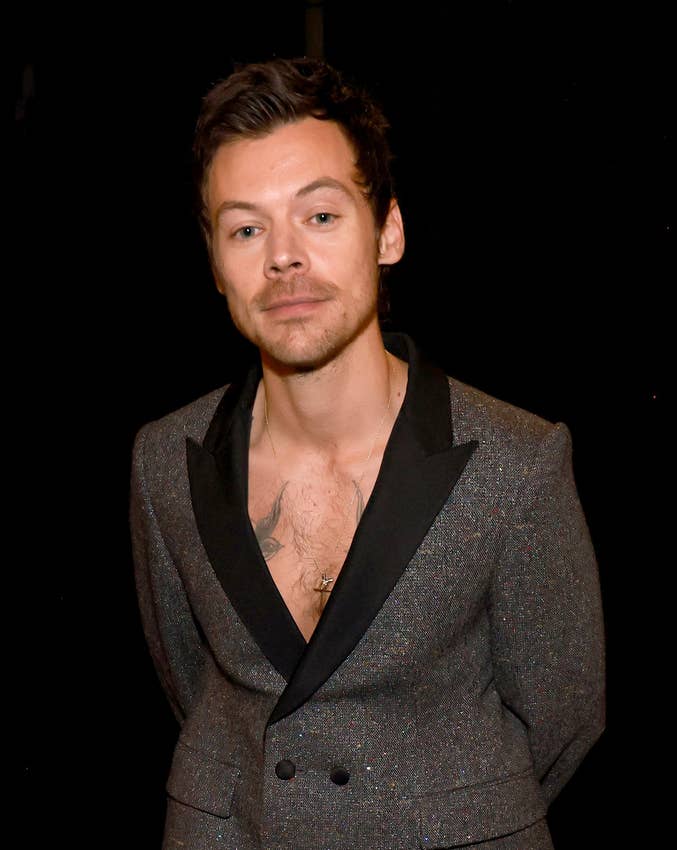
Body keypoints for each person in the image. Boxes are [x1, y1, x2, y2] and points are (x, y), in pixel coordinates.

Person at [129, 56, 605, 850]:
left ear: (388, 232)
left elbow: (563, 719)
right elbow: (191, 682)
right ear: (215, 263)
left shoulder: (517, 463)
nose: (283, 257)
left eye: (319, 216)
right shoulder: (163, 463)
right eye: (246, 229)